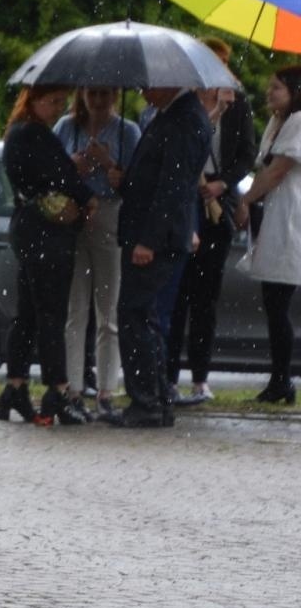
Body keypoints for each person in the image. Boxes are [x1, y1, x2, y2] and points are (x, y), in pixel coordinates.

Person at [104, 83, 214, 427]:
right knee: (144, 316)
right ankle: (157, 396)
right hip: (154, 233)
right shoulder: (173, 116)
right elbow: (158, 177)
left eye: (149, 86)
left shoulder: (184, 120)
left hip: (157, 238)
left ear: (170, 83)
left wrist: (149, 240)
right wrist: (125, 179)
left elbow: (173, 186)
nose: (143, 92)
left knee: (135, 315)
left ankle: (147, 401)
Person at [0, 86, 94, 426]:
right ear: (34, 100)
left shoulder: (19, 133)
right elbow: (62, 178)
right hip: (46, 232)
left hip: (29, 227)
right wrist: (81, 178)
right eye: (52, 102)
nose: (57, 109)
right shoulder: (34, 135)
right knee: (51, 312)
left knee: (28, 311)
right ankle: (57, 389)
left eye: (61, 102)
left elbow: (48, 174)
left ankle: (16, 385)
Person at [169, 64, 256, 405]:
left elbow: (247, 155)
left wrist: (223, 182)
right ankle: (169, 376)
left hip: (218, 204)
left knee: (206, 298)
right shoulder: (187, 103)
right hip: (188, 198)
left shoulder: (237, 105)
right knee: (178, 296)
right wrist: (212, 111)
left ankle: (200, 377)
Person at [51, 87, 140, 416]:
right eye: (92, 94)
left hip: (109, 212)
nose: (98, 101)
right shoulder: (66, 127)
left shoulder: (127, 131)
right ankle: (73, 388)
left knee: (109, 310)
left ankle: (105, 389)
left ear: (115, 95)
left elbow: (136, 179)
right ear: (83, 94)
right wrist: (73, 167)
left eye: (104, 95)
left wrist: (112, 168)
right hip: (73, 214)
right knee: (75, 310)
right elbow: (53, 171)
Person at [234, 66, 301, 404]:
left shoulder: (298, 122)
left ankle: (282, 378)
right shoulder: (277, 123)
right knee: (273, 300)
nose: (269, 92)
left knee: (278, 300)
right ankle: (279, 376)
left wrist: (245, 199)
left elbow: (276, 171)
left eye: (276, 87)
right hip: (274, 212)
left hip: (289, 214)